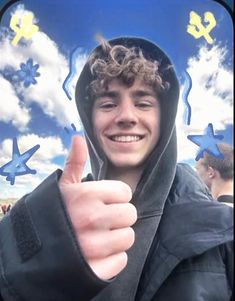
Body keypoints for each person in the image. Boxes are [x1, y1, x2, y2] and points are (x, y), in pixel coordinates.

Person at [0, 37, 233, 301]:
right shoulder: (45, 216)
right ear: (90, 119)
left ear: (165, 117)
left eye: (143, 103)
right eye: (109, 104)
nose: (126, 116)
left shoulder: (222, 230)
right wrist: (17, 266)